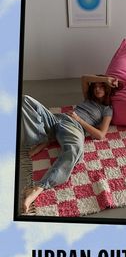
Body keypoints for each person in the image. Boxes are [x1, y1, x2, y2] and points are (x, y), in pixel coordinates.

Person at [21, 74, 120, 213]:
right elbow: (84, 78)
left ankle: (37, 189)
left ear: (107, 89)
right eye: (96, 86)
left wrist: (79, 120)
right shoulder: (88, 98)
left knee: (75, 151)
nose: (97, 89)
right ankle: (44, 138)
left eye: (101, 87)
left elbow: (101, 135)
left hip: (74, 127)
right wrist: (104, 80)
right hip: (58, 119)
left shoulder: (107, 109)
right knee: (25, 100)